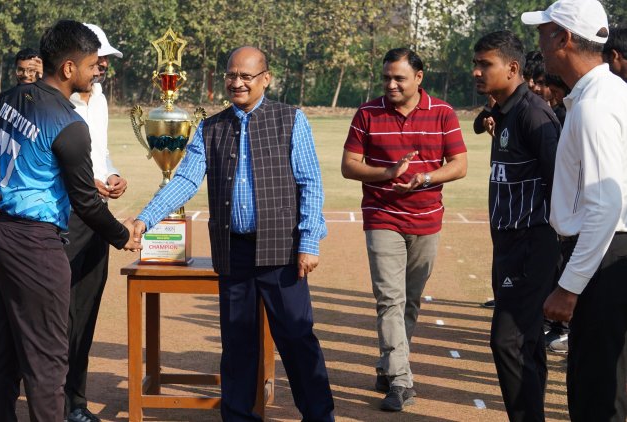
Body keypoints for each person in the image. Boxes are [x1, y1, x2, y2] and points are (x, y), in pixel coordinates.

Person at [132, 46, 335, 422]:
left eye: (246, 76)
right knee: (238, 345)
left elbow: (311, 183)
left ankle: (319, 416)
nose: (236, 82)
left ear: (265, 79)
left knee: (296, 339)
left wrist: (308, 241)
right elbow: (187, 179)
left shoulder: (290, 119)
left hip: (282, 251)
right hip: (234, 252)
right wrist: (145, 220)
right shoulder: (212, 127)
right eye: (230, 75)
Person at [0, 20, 140, 421]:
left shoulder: (14, 96)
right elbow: (87, 204)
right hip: (35, 246)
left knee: (4, 353)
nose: (98, 71)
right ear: (69, 68)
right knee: (47, 363)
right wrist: (122, 235)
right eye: (93, 64)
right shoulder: (70, 125)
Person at [341, 48, 467, 412]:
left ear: (419, 78)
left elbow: (459, 165)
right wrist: (387, 174)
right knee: (389, 300)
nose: (391, 84)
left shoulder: (442, 113)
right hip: (382, 216)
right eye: (386, 78)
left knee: (409, 301)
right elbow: (349, 165)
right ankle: (400, 381)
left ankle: (388, 364)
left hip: (427, 219)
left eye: (399, 78)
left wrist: (423, 178)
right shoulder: (367, 113)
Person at [522, 1, 627, 421]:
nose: (540, 45)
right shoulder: (610, 92)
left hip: (604, 254)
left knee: (597, 392)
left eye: (544, 34)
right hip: (608, 252)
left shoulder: (595, 104)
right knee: (609, 385)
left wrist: (569, 286)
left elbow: (606, 205)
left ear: (564, 39)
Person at [472, 30, 561, 422]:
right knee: (525, 345)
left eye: (484, 64)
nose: (476, 72)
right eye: (475, 64)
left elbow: (560, 182)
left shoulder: (533, 113)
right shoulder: (505, 110)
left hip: (531, 243)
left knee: (506, 341)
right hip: (508, 243)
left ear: (512, 68)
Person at [63, 23, 127, 422]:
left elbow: (99, 155)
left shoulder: (99, 99)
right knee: (58, 311)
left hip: (94, 215)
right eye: (98, 56)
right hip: (61, 217)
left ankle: (75, 401)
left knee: (85, 309)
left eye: (105, 57)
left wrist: (112, 175)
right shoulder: (53, 101)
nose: (103, 64)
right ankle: (48, 396)